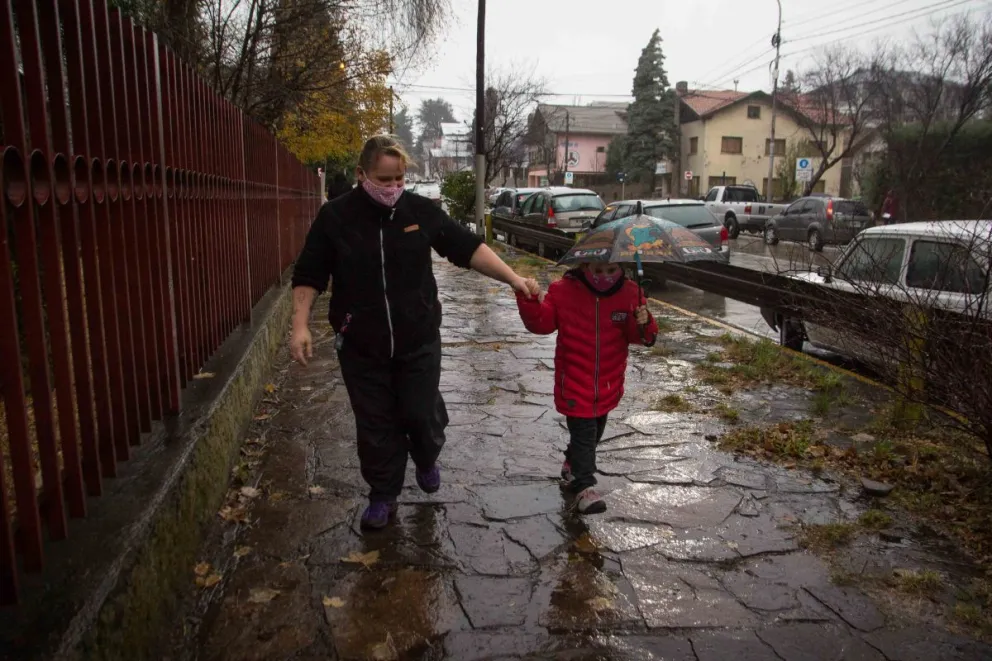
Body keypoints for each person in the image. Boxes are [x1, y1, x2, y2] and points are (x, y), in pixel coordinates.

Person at [290, 135, 539, 530]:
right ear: (361, 174)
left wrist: (514, 279)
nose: (392, 188)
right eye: (383, 179)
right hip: (360, 344)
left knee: (420, 414)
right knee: (375, 424)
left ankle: (426, 457)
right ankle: (382, 495)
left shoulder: (419, 211)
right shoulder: (335, 217)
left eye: (399, 179)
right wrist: (300, 325)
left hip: (418, 339)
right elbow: (309, 273)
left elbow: (467, 247)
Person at [516, 261, 658, 514]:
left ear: (621, 268)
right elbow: (542, 323)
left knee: (593, 434)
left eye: (611, 271)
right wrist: (530, 300)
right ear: (584, 266)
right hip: (574, 381)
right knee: (584, 433)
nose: (604, 276)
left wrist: (644, 322)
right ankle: (584, 486)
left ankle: (572, 462)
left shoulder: (630, 293)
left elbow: (641, 337)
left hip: (608, 382)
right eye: (597, 270)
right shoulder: (563, 290)